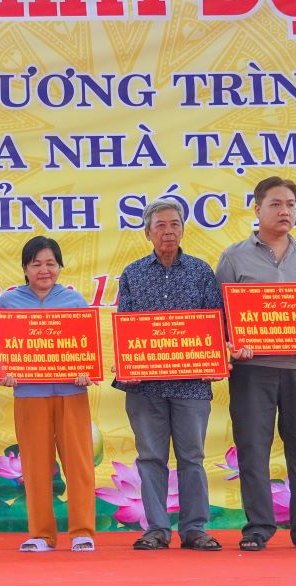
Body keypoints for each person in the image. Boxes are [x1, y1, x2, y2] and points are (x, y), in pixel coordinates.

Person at [215, 176, 296, 551]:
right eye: (276, 204)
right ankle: (258, 527)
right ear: (257, 209)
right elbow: (219, 317)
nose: (285, 211)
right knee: (253, 450)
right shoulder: (234, 257)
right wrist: (231, 344)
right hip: (253, 371)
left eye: (290, 205)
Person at [112, 199, 223, 552]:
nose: (168, 231)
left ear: (183, 230)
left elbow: (216, 323)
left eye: (174, 224)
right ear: (147, 233)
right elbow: (126, 326)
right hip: (145, 386)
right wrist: (127, 365)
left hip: (192, 385)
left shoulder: (201, 272)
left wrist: (214, 360)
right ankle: (157, 529)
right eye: (160, 225)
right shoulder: (132, 274)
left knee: (192, 458)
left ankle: (194, 529)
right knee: (150, 459)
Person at [0, 236, 97, 553]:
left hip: (71, 393)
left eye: (50, 263)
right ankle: (41, 534)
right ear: (25, 268)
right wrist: (5, 371)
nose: (44, 270)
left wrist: (86, 370)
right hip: (29, 395)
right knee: (35, 466)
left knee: (79, 463)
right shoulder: (8, 304)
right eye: (36, 263)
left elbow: (87, 350)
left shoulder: (74, 302)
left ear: (60, 267)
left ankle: (82, 532)